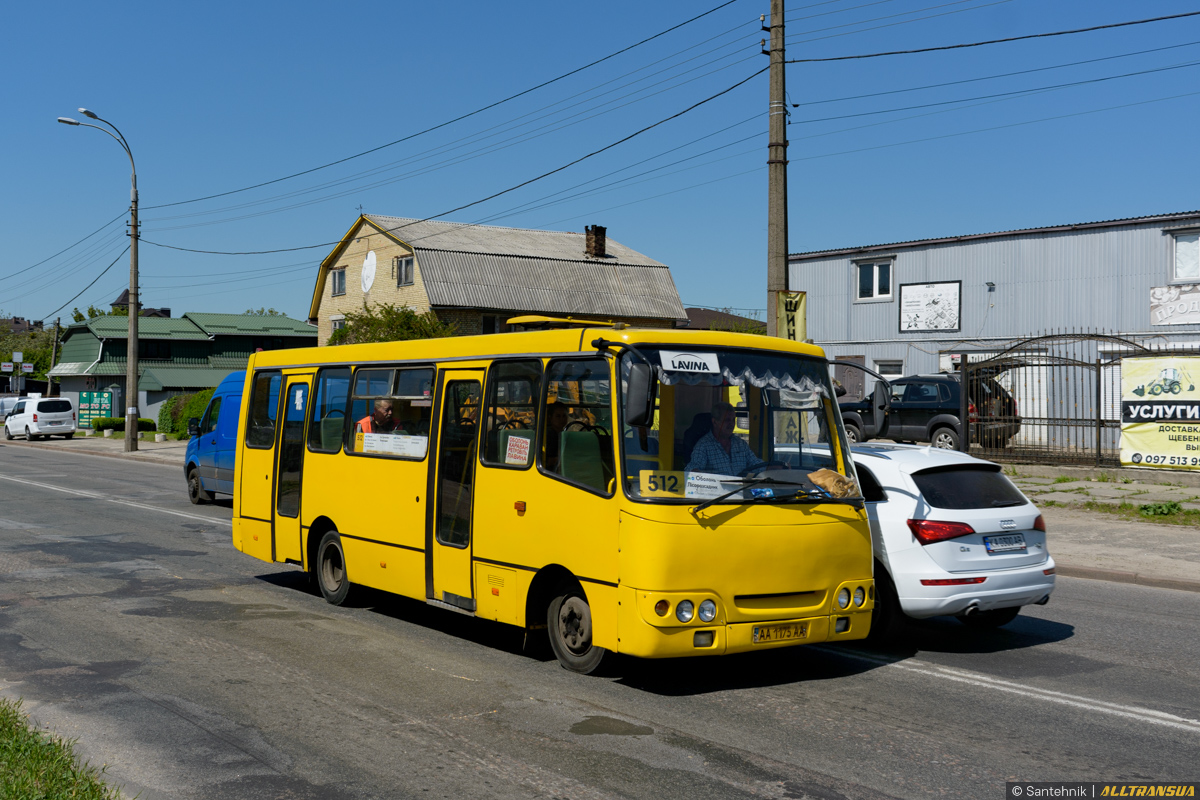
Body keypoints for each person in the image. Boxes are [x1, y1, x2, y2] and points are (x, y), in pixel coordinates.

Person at [685, 401, 765, 476]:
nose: (731, 424)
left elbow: (756, 465)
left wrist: (771, 467)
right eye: (727, 420)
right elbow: (691, 470)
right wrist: (706, 476)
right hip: (716, 490)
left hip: (741, 489)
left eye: (733, 420)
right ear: (715, 422)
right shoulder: (704, 445)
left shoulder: (741, 444)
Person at [543, 401, 570, 471]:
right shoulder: (549, 435)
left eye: (564, 416)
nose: (562, 419)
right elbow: (549, 461)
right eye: (558, 416)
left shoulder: (563, 434)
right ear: (551, 418)